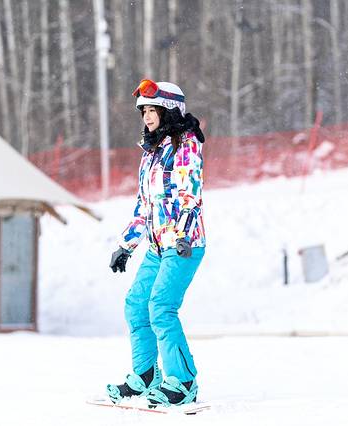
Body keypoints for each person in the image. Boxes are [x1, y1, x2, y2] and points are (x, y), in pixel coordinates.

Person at [107, 79, 206, 407]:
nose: (147, 116)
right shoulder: (151, 152)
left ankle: (183, 382)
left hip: (184, 244)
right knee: (136, 306)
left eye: (153, 110)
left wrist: (183, 235)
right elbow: (144, 206)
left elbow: (190, 195)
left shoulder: (186, 145)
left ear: (170, 110)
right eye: (144, 111)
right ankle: (146, 375)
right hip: (157, 247)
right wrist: (126, 245)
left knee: (161, 307)